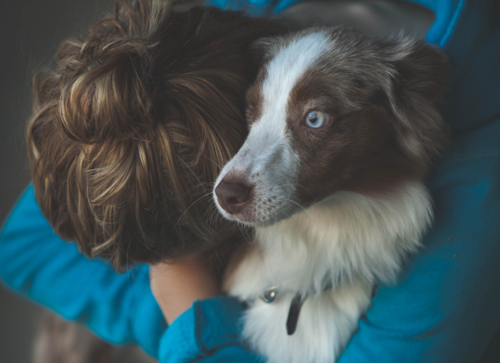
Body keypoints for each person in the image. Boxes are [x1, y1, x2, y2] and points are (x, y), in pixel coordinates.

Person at [1, 0, 500, 362]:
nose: (236, 176)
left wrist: (194, 316)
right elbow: (23, 243)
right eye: (253, 113)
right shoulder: (209, 43)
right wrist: (177, 285)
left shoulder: (464, 211)